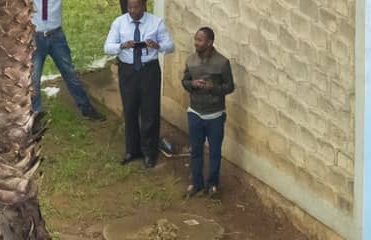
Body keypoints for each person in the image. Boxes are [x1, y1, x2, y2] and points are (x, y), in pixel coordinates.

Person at [104, 0, 173, 169]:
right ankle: (132, 150)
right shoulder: (119, 23)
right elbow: (107, 47)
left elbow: (170, 46)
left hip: (149, 71)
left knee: (150, 111)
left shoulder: (156, 22)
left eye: (136, 7)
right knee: (130, 109)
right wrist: (122, 46)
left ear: (144, 6)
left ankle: (149, 152)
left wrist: (158, 45)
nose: (132, 11)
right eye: (129, 7)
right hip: (128, 71)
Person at [180, 27, 233, 198]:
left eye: (200, 40)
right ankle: (197, 183)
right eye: (195, 39)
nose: (196, 43)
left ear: (209, 42)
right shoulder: (191, 60)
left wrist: (213, 87)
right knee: (196, 150)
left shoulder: (222, 63)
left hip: (215, 115)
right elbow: (185, 81)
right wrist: (192, 84)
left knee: (215, 152)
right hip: (195, 112)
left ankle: (213, 185)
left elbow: (230, 87)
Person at [30, 0, 104, 121]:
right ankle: (35, 114)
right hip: (35, 37)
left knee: (70, 73)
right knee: (33, 79)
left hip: (56, 36)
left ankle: (87, 108)